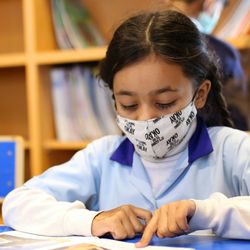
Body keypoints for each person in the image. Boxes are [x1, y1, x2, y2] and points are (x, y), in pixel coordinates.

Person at [2, 10, 250, 248]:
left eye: (164, 103)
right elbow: (18, 204)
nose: (145, 118)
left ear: (200, 94)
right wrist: (93, 221)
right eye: (129, 105)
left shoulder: (233, 149)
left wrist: (206, 212)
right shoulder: (101, 157)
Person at [167, 0, 249, 130]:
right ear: (210, 4)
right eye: (221, 7)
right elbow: (238, 122)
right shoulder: (224, 55)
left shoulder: (137, 44)